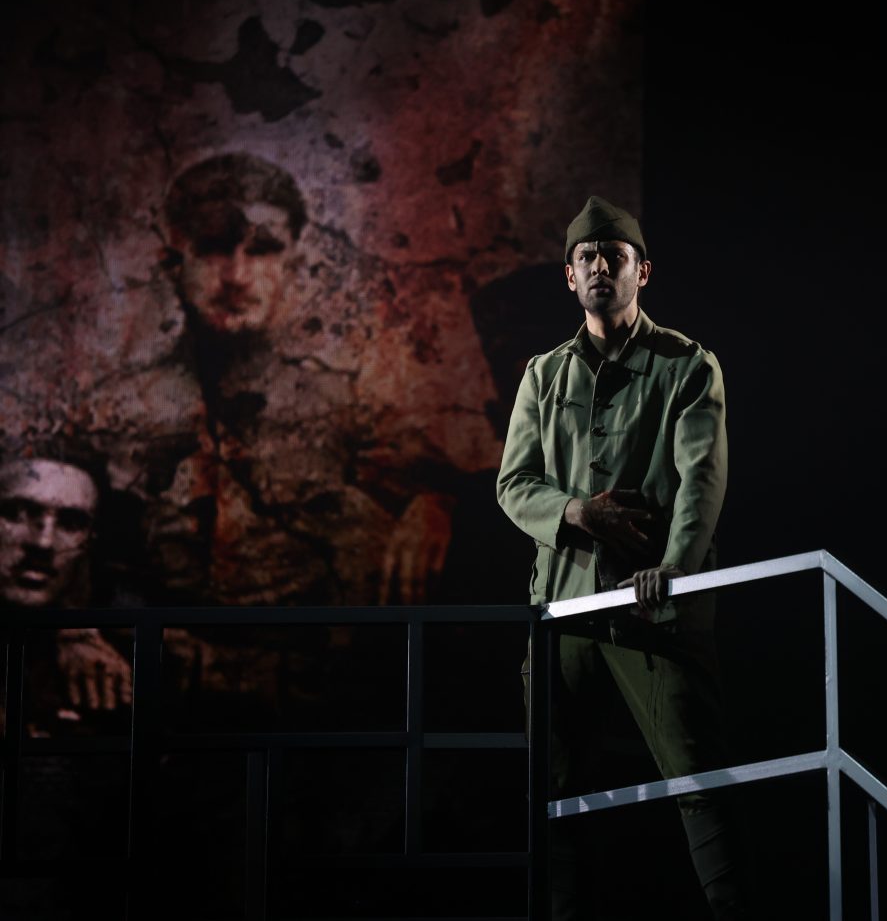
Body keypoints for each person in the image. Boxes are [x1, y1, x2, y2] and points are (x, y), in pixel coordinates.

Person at [497, 196, 747, 919]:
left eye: (615, 256)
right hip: (566, 610)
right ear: (569, 276)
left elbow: (702, 478)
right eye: (587, 257)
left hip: (653, 609)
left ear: (643, 271)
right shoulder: (545, 374)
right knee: (552, 793)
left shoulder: (685, 365)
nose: (600, 267)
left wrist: (675, 566)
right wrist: (578, 512)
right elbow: (514, 484)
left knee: (698, 779)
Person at [150, 151, 460, 608]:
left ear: (292, 266)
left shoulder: (341, 408)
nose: (236, 276)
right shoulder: (110, 415)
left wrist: (434, 506)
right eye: (213, 247)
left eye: (262, 250)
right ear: (173, 264)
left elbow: (452, 487)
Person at [0, 443, 134, 735]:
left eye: (71, 523)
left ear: (90, 542)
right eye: (17, 513)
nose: (44, 543)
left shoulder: (121, 641)